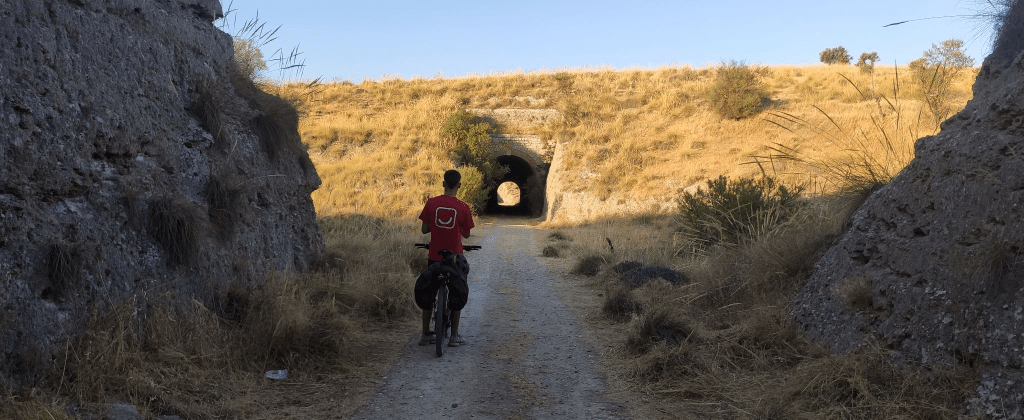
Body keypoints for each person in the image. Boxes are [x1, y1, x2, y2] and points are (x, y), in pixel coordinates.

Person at [417, 169, 475, 347]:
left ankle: (425, 334)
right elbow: (467, 234)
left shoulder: (431, 203)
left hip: (434, 256)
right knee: (457, 293)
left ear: (443, 184)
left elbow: (424, 230)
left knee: (429, 293)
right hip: (455, 257)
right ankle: (454, 337)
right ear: (459, 185)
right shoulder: (463, 207)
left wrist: (436, 227)